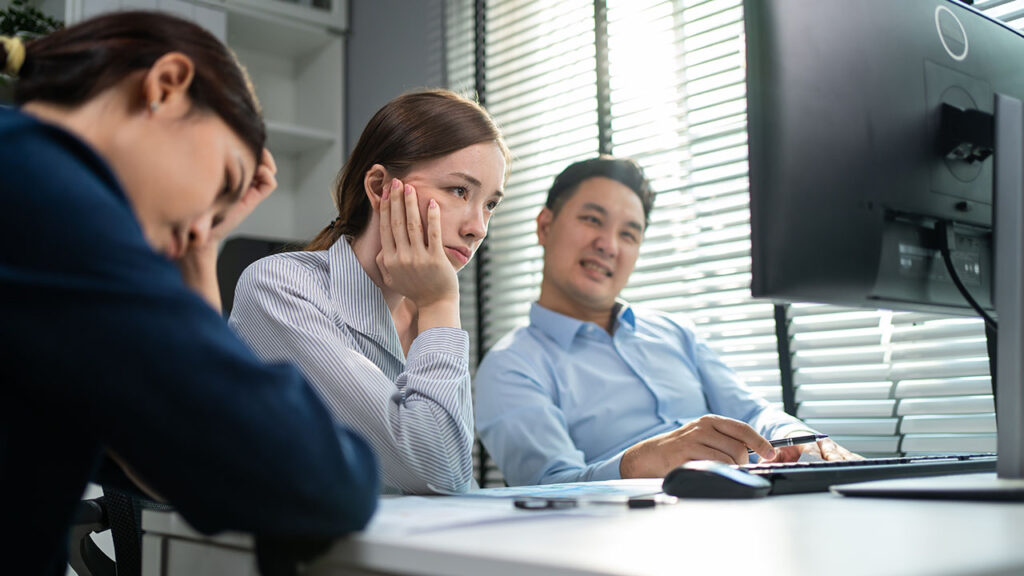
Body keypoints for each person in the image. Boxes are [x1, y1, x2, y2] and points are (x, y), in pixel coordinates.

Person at [0, 13, 378, 575]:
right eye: (225, 181)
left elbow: (185, 457)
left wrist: (202, 250)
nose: (202, 228)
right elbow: (313, 475)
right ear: (168, 86)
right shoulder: (45, 189)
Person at [474, 156, 859, 486]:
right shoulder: (509, 367)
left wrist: (796, 438)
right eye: (593, 220)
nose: (609, 245)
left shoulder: (676, 334)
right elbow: (549, 486)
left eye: (629, 234)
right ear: (545, 226)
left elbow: (753, 412)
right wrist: (640, 464)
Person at [229, 89, 509, 494]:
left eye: (490, 205)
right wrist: (439, 304)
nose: (477, 227)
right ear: (380, 187)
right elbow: (439, 471)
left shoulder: (426, 315)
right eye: (459, 191)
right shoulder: (279, 288)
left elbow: (460, 485)